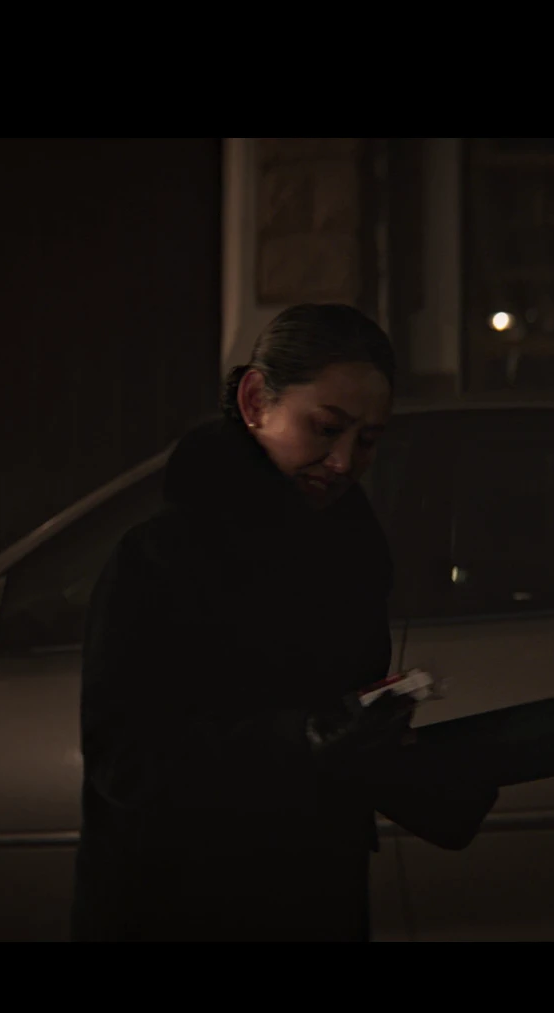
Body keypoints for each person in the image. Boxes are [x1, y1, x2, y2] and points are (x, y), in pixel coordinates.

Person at [72, 303, 497, 942]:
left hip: (316, 894)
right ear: (254, 401)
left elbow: (336, 730)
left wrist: (416, 764)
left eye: (368, 440)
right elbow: (126, 761)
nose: (343, 461)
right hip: (181, 901)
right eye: (326, 428)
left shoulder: (350, 555)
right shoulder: (160, 558)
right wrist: (303, 737)